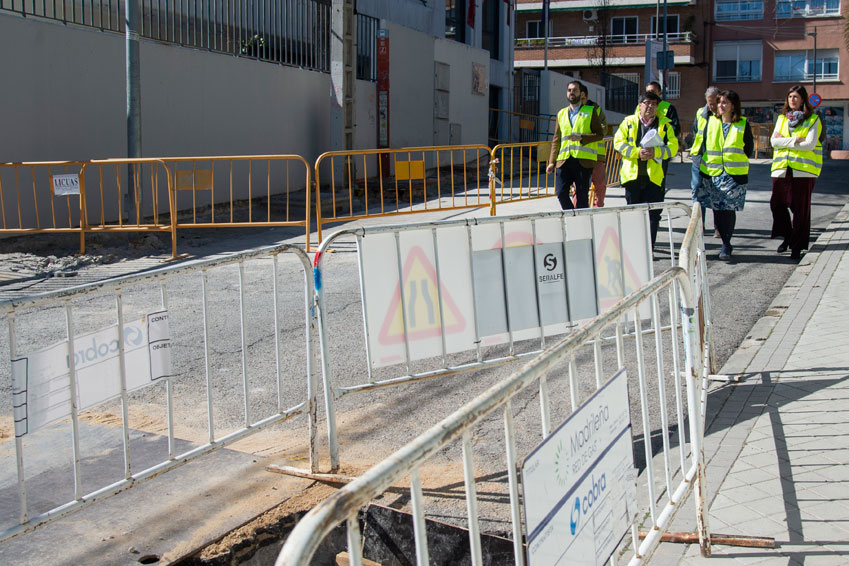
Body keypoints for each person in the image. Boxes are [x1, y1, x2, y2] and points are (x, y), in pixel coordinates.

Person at [694, 89, 753, 261]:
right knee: (718, 210)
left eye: (725, 102)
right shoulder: (711, 122)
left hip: (734, 174)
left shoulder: (742, 123)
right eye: (719, 102)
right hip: (714, 173)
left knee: (728, 209)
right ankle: (725, 242)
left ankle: (726, 244)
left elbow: (748, 149)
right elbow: (703, 144)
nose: (720, 105)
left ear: (733, 105)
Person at [614, 90, 678, 247]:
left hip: (654, 177)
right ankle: (634, 247)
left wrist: (656, 152)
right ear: (639, 105)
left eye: (654, 104)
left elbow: (674, 147)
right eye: (647, 103)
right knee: (633, 214)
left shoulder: (665, 124)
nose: (650, 107)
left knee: (653, 215)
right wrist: (638, 153)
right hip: (632, 177)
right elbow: (618, 143)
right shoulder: (628, 122)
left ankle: (649, 248)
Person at [769, 85, 824, 260]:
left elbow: (809, 144)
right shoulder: (782, 119)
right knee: (777, 204)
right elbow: (773, 142)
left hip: (803, 170)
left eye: (796, 97)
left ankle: (796, 246)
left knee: (801, 210)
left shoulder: (813, 119)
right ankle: (788, 236)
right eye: (790, 96)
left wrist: (784, 140)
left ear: (803, 100)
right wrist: (794, 140)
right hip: (782, 168)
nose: (792, 100)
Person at [546, 80, 604, 210]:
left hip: (583, 162)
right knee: (561, 193)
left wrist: (582, 137)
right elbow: (556, 139)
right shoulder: (561, 113)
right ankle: (572, 216)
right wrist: (551, 162)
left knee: (582, 197)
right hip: (564, 160)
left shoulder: (590, 111)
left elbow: (599, 134)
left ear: (581, 93)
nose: (572, 92)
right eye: (569, 90)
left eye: (575, 90)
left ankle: (580, 224)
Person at [634, 81, 681, 194]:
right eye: (648, 91)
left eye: (653, 92)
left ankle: (655, 208)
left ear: (659, 93)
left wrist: (659, 139)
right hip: (641, 151)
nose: (650, 106)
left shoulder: (668, 108)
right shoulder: (639, 106)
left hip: (659, 152)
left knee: (657, 183)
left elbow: (675, 129)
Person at [689, 87, 720, 231]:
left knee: (716, 194)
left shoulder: (724, 115)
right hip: (699, 159)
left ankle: (719, 227)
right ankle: (699, 226)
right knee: (697, 193)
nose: (712, 107)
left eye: (714, 103)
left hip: (716, 161)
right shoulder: (701, 112)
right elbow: (695, 131)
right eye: (709, 103)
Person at [579, 83, 609, 207]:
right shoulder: (572, 111)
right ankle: (579, 211)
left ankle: (598, 209)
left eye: (582, 97)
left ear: (585, 95)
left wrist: (586, 134)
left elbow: (603, 129)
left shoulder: (595, 109)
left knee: (600, 186)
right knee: (579, 187)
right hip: (579, 156)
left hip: (596, 156)